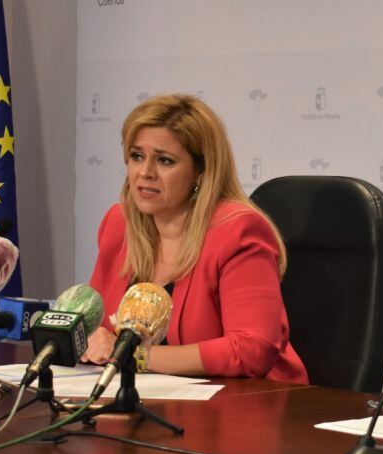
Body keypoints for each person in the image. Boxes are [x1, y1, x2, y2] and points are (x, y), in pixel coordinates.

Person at [83, 94, 308, 383]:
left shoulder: (238, 232)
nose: (145, 173)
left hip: (250, 404)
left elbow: (252, 350)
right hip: (149, 398)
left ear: (200, 171)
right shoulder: (119, 223)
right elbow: (97, 328)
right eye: (137, 156)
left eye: (165, 161)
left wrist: (136, 355)